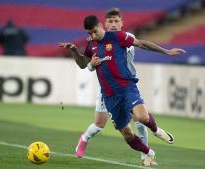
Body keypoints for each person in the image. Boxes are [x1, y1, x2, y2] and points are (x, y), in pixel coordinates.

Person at [59, 15, 185, 165]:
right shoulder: (92, 45)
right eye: (89, 33)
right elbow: (82, 64)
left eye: (94, 31)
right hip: (110, 96)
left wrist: (166, 51)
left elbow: (141, 43)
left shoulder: (118, 36)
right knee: (127, 135)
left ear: (100, 26)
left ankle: (156, 130)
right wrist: (74, 51)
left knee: (142, 117)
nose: (92, 35)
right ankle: (148, 153)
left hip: (127, 87)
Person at [74, 8, 150, 165]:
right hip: (107, 89)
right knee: (99, 124)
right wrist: (90, 66)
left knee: (139, 120)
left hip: (127, 85)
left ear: (122, 23)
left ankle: (145, 156)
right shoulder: (95, 42)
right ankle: (85, 138)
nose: (114, 24)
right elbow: (90, 64)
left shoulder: (126, 38)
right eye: (110, 21)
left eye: (117, 21)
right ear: (104, 25)